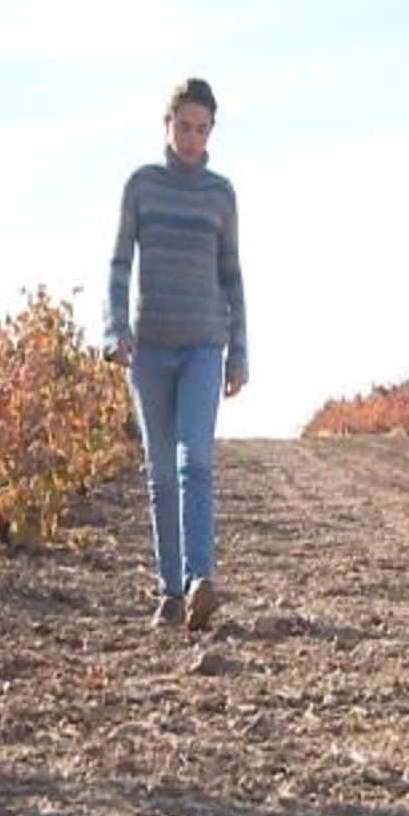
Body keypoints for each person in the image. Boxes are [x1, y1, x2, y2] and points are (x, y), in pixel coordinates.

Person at [103, 77, 247, 631]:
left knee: (195, 462)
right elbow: (118, 264)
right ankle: (169, 591)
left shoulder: (220, 194)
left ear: (212, 132)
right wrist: (114, 330)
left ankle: (200, 580)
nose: (192, 138)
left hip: (205, 344)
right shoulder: (142, 186)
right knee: (160, 471)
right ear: (167, 127)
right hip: (150, 348)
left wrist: (240, 354)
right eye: (184, 127)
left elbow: (232, 274)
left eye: (202, 129)